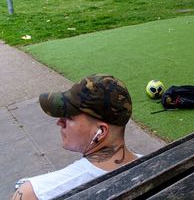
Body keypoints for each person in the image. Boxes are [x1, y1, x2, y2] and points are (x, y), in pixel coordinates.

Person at [12, 74, 140, 200]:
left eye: (68, 117)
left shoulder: (36, 193)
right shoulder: (153, 167)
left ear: (101, 132)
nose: (60, 122)